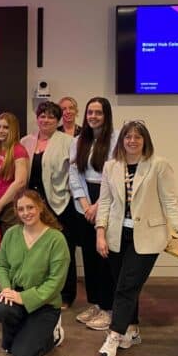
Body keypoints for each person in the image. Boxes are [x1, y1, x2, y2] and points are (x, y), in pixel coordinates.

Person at [95, 121, 178, 356]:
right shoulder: (111, 167)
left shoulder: (158, 165)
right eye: (128, 137)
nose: (132, 141)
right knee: (125, 284)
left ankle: (113, 336)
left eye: (137, 137)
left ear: (145, 141)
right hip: (117, 236)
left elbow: (170, 200)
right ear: (121, 141)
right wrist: (100, 233)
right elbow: (106, 203)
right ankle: (131, 328)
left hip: (149, 236)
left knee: (126, 286)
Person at [0, 190, 70, 356]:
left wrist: (25, 298)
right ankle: (23, 333)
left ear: (40, 207)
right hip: (14, 293)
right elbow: (1, 265)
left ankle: (53, 334)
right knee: (1, 309)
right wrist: (6, 288)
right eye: (21, 209)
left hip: (44, 302)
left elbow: (56, 281)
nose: (25, 213)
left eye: (30, 207)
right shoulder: (12, 233)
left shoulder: (56, 239)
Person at [21, 101, 78, 307]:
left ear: (59, 120)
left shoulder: (68, 141)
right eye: (42, 116)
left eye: (51, 117)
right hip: (31, 205)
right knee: (34, 248)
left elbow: (75, 174)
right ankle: (37, 291)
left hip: (59, 204)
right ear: (37, 118)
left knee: (63, 250)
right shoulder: (26, 141)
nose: (46, 120)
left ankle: (66, 294)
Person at [69, 97, 118, 331]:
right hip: (84, 203)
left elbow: (114, 177)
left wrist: (98, 205)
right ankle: (96, 304)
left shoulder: (116, 139)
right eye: (90, 112)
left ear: (106, 115)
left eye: (98, 112)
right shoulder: (78, 140)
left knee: (104, 257)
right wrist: (85, 204)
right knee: (89, 257)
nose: (93, 116)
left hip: (106, 200)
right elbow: (74, 175)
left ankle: (109, 308)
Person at [0, 112, 28, 234]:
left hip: (10, 206)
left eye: (6, 127)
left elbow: (20, 182)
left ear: (13, 130)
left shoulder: (18, 150)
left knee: (9, 245)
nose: (1, 130)